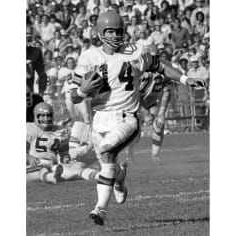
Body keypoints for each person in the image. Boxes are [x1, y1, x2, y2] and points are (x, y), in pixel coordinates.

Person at [70, 10, 204, 225]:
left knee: (106, 152)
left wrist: (185, 79)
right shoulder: (88, 57)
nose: (115, 36)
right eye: (110, 32)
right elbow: (75, 97)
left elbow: (160, 66)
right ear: (100, 33)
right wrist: (83, 90)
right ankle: (119, 179)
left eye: (119, 31)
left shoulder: (134, 52)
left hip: (127, 118)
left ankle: (100, 210)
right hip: (100, 120)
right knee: (108, 164)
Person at [126, 71, 172, 163]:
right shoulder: (139, 70)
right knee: (135, 134)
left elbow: (167, 93)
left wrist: (161, 114)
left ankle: (155, 155)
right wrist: (145, 113)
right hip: (132, 105)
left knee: (159, 125)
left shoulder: (165, 70)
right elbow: (130, 96)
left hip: (151, 103)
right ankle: (129, 151)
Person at [26, 102, 71, 184]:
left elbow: (64, 153)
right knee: (41, 169)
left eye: (48, 115)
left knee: (76, 167)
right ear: (36, 116)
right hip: (33, 167)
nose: (46, 118)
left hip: (52, 165)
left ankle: (97, 176)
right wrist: (29, 158)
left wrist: (65, 158)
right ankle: (51, 177)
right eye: (42, 115)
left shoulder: (60, 131)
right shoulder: (29, 128)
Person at [58, 57, 90, 124]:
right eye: (69, 62)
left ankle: (88, 128)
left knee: (85, 113)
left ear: (75, 63)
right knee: (70, 115)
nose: (71, 64)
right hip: (68, 94)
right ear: (66, 63)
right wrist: (60, 97)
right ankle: (71, 131)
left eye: (72, 62)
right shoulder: (63, 70)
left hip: (78, 93)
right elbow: (59, 83)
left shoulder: (79, 70)